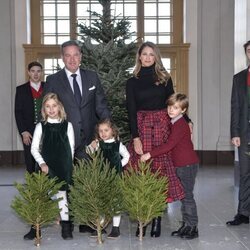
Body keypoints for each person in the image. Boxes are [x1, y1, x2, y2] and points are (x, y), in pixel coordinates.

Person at [44, 40, 110, 233]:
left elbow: (101, 106)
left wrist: (106, 131)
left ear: (81, 56)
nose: (72, 59)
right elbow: (48, 111)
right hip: (63, 141)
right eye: (67, 55)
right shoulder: (53, 80)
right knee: (65, 180)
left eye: (75, 55)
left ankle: (87, 222)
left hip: (89, 139)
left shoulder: (92, 77)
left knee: (86, 180)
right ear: (62, 57)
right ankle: (67, 220)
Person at [126, 41, 187, 237]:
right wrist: (135, 137)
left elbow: (173, 103)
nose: (147, 57)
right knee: (143, 173)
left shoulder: (164, 78)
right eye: (144, 54)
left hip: (162, 128)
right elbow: (131, 110)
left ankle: (158, 218)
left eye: (151, 54)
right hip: (142, 127)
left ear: (156, 57)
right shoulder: (132, 81)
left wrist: (187, 119)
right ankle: (144, 217)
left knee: (160, 173)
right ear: (139, 56)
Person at [141, 93, 199, 240]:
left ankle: (193, 227)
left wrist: (149, 154)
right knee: (184, 196)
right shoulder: (175, 122)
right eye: (169, 107)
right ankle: (186, 225)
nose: (171, 110)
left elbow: (169, 145)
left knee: (187, 197)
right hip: (181, 164)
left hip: (187, 165)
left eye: (175, 108)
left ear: (183, 110)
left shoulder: (180, 124)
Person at [31, 93, 75, 240]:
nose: (51, 109)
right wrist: (41, 163)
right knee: (41, 196)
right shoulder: (41, 126)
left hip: (63, 166)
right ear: (44, 109)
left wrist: (69, 166)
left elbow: (71, 148)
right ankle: (35, 227)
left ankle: (66, 227)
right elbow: (34, 148)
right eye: (48, 106)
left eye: (54, 106)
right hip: (46, 166)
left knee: (62, 195)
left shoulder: (67, 125)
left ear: (59, 107)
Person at [86, 118, 130, 238]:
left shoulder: (117, 144)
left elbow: (127, 156)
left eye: (106, 130)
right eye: (100, 131)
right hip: (101, 177)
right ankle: (101, 226)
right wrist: (92, 145)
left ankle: (116, 228)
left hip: (115, 177)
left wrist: (119, 165)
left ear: (113, 131)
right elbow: (89, 151)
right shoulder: (99, 144)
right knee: (101, 201)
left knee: (115, 202)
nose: (103, 133)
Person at [226, 40, 250, 226]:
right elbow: (235, 107)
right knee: (245, 174)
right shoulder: (239, 78)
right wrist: (235, 132)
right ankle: (243, 213)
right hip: (244, 134)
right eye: (249, 51)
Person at [15, 61, 44, 175]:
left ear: (41, 73)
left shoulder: (48, 87)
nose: (35, 74)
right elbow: (18, 112)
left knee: (46, 157)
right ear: (28, 72)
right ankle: (33, 187)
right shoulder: (21, 89)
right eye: (33, 71)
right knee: (30, 159)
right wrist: (23, 132)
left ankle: (46, 185)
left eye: (38, 71)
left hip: (46, 129)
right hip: (29, 131)